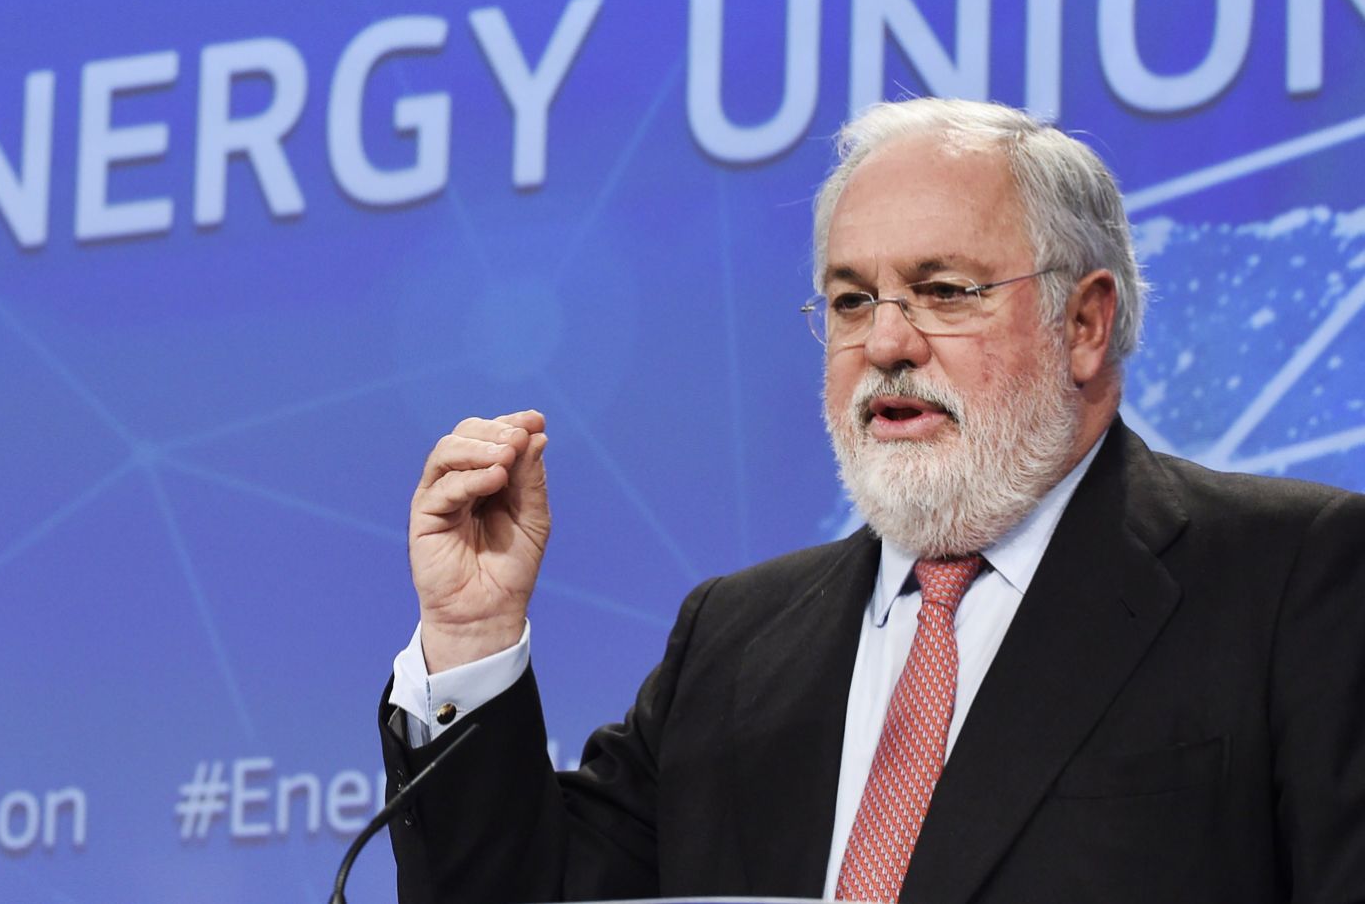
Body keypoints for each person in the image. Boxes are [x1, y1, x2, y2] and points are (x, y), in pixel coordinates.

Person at [383, 98, 1365, 903]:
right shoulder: (732, 638)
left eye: (944, 289)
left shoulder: (1292, 578)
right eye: (851, 299)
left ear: (1085, 323)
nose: (885, 341)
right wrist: (472, 634)